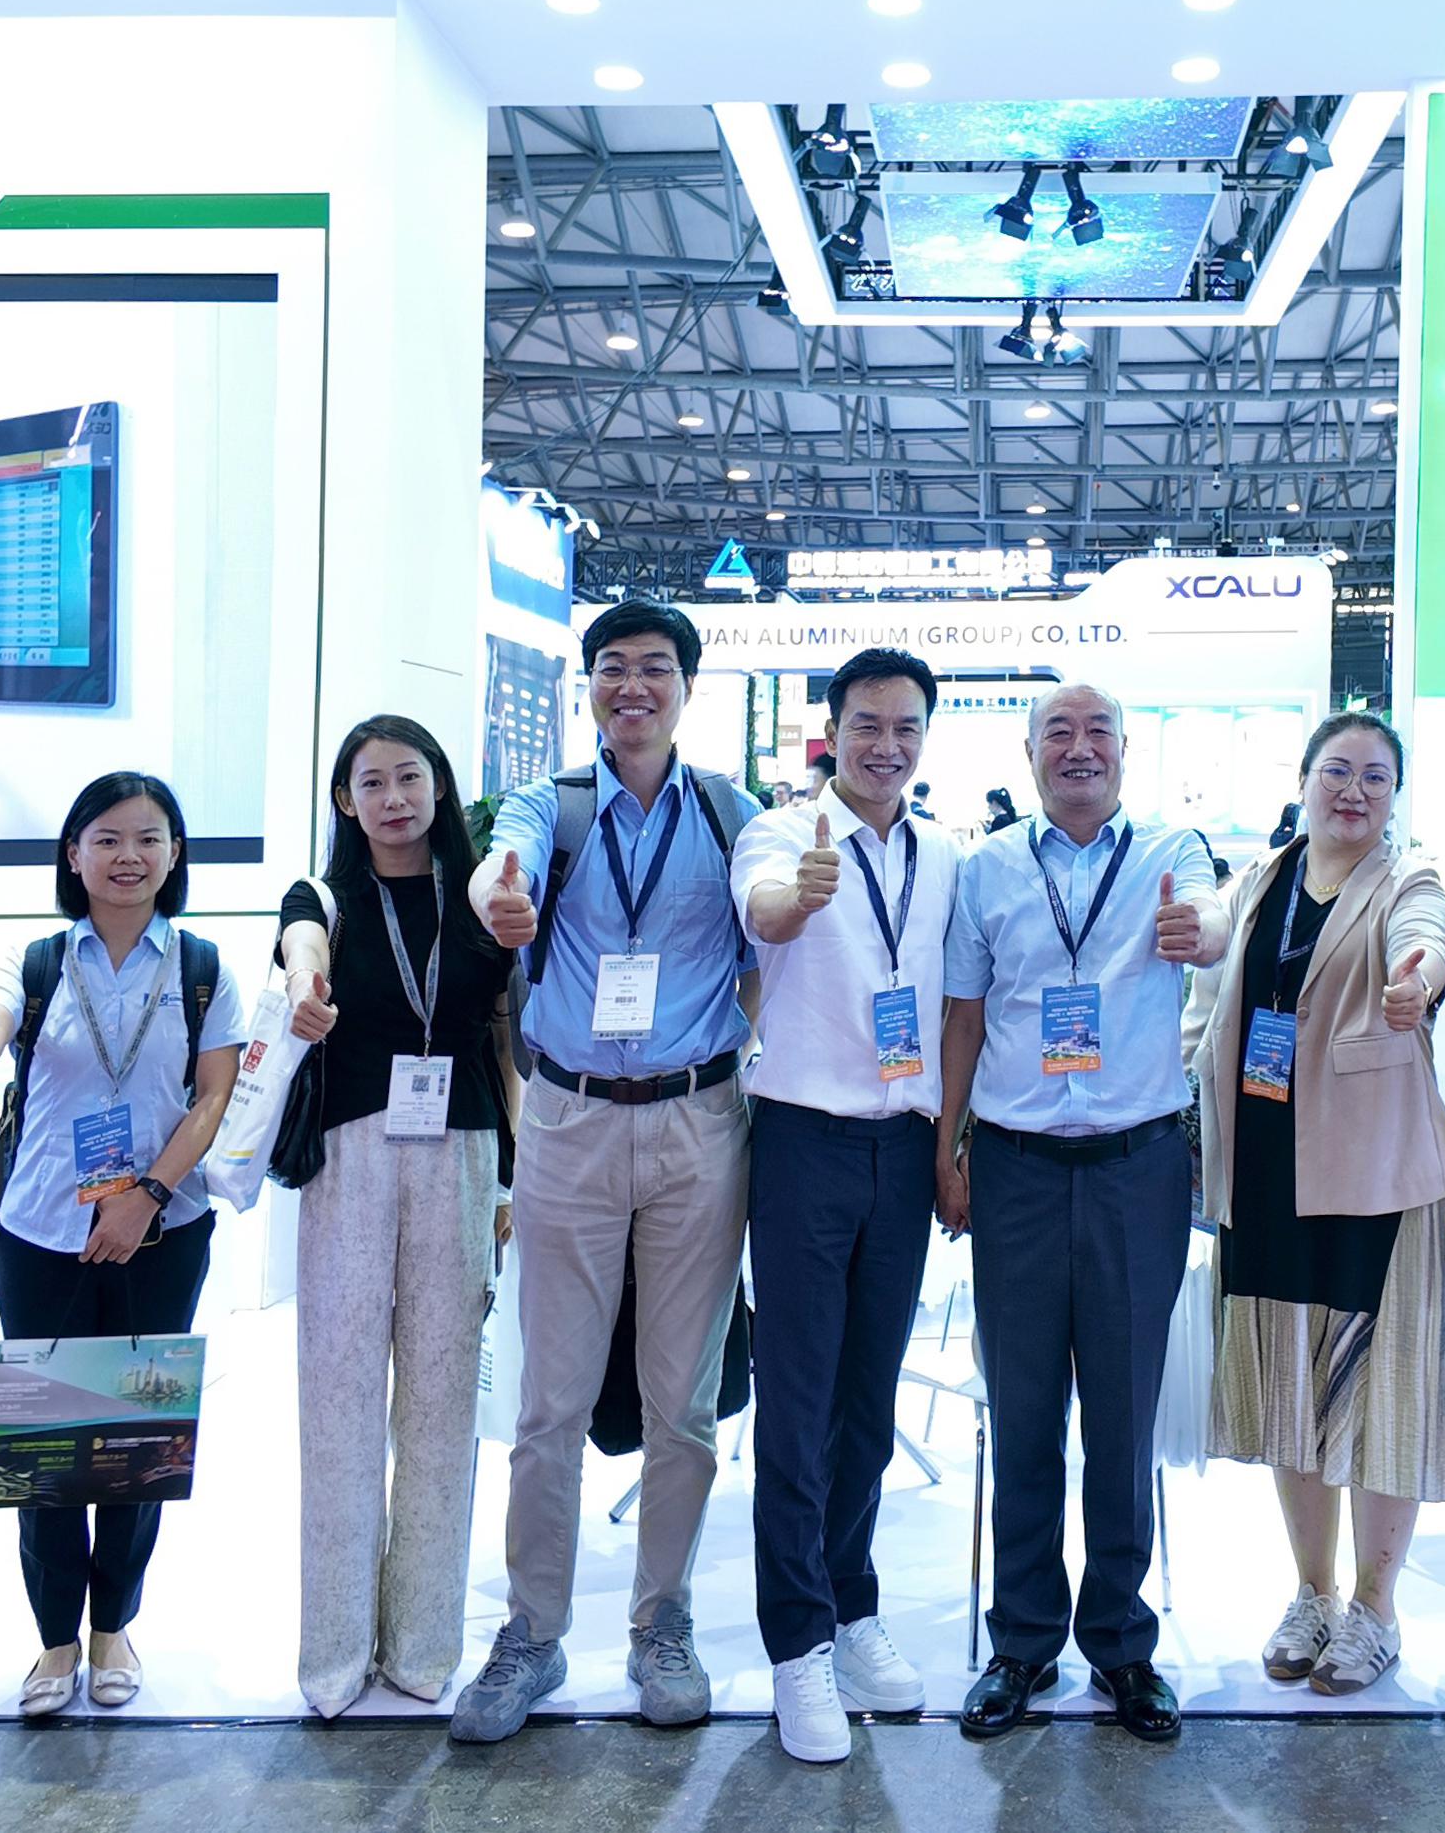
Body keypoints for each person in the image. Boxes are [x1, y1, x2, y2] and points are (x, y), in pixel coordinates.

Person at [450, 601, 760, 1743]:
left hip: (698, 1122)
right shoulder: (553, 803)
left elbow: (764, 947)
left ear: (686, 686)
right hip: (571, 1120)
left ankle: (660, 1624)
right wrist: (501, 899)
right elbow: (503, 865)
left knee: (684, 1404)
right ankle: (531, 1635)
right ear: (587, 685)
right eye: (613, 667)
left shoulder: (730, 812)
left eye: (655, 668)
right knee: (550, 1404)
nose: (633, 685)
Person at [937, 682, 1230, 1744]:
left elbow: (1212, 922)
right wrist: (948, 1148)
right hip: (1014, 1167)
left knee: (1121, 1418)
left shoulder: (1169, 851)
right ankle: (1021, 1642)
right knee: (1022, 1415)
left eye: (1096, 730)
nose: (1077, 748)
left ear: (1122, 751)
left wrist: (1200, 928)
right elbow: (964, 1015)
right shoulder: (986, 867)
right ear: (1028, 755)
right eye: (1056, 732)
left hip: (1133, 1168)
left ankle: (1120, 1644)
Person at [0, 773, 241, 1718]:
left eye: (148, 837)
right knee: (45, 1448)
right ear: (73, 854)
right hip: (42, 1233)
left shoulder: (201, 968)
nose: (128, 856)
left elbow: (213, 1099)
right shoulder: (34, 964)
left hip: (163, 1231)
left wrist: (147, 1196)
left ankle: (115, 1629)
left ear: (174, 855)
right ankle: (56, 1640)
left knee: (138, 1444)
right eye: (106, 838)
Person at [1192, 712, 1445, 1698]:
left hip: (1370, 1178)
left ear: (1395, 795)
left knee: (1380, 1395)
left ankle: (1374, 1608)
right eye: (1337, 771)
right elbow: (1212, 991)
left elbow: (1427, 941)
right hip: (1267, 1171)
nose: (1354, 791)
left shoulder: (1407, 878)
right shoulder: (1260, 878)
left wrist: (1418, 983)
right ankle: (1311, 1592)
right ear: (1304, 779)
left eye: (1375, 777)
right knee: (1286, 1389)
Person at [730, 648, 953, 1763]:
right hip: (804, 1142)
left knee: (867, 1397)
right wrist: (797, 897)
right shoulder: (781, 833)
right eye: (867, 723)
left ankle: (851, 1604)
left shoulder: (942, 854)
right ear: (832, 729)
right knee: (797, 1401)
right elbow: (764, 913)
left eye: (905, 726)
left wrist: (949, 1144)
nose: (886, 745)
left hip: (902, 1145)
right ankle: (797, 1643)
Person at [272, 717, 518, 1717]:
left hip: (462, 1151)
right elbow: (299, 942)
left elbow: (499, 1037)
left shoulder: (479, 897)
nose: (393, 799)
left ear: (439, 785)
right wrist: (304, 979)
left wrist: (509, 1177)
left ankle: (422, 1644)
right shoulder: (324, 895)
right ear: (344, 799)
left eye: (409, 777)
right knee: (336, 1401)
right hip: (351, 1155)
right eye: (370, 782)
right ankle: (333, 1652)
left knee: (441, 1403)